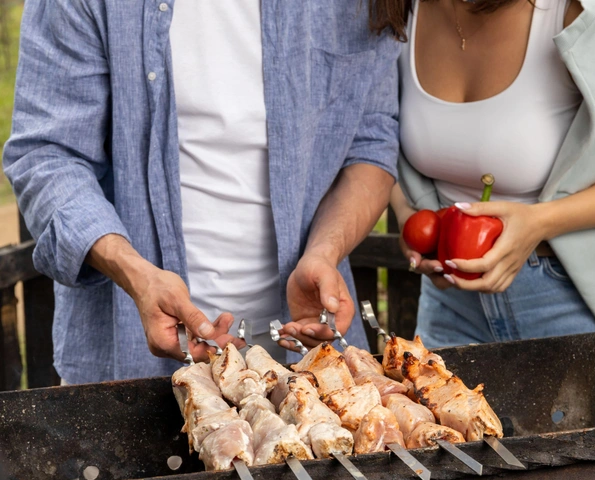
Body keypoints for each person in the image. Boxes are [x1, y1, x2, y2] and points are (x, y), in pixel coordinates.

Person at [3, 0, 400, 383]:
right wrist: (136, 275)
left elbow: (370, 144)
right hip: (126, 363)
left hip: (309, 367)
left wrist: (323, 252)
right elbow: (47, 155)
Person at [368, 0, 595, 358]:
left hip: (566, 298)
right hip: (448, 304)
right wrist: (410, 214)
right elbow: (375, 135)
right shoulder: (400, 11)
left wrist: (539, 223)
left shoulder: (582, 12)